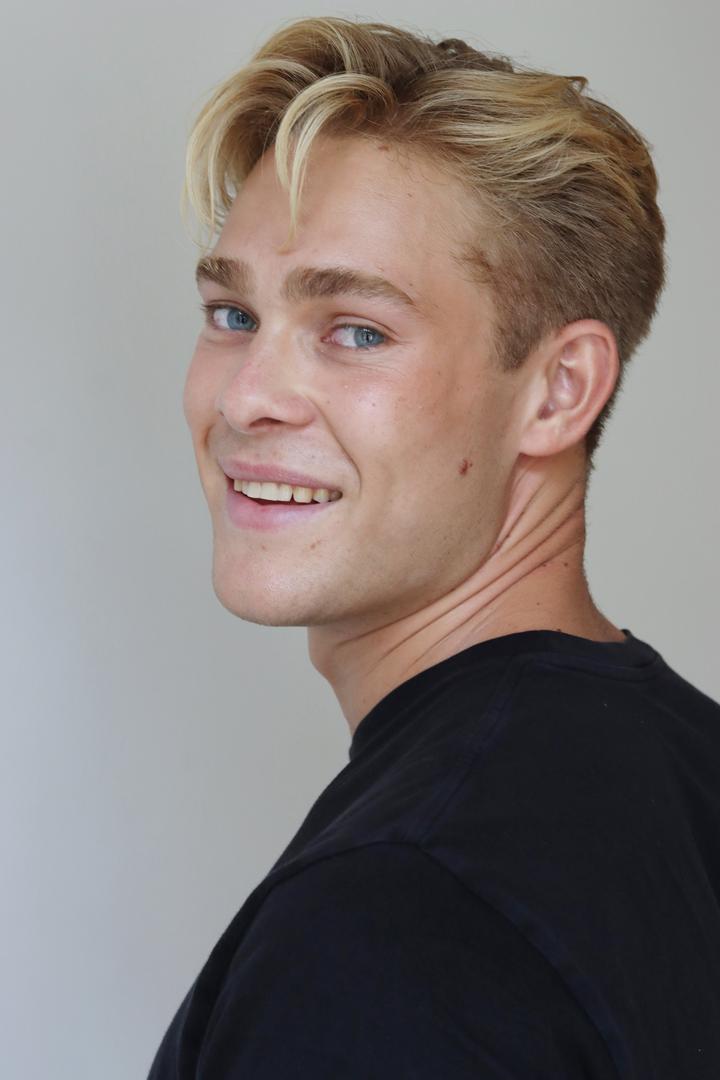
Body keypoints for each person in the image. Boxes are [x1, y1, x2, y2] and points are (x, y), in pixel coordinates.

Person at [147, 16, 720, 1078]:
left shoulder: (392, 914)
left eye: (356, 330)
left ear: (559, 391)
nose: (246, 397)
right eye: (232, 314)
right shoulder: (686, 768)